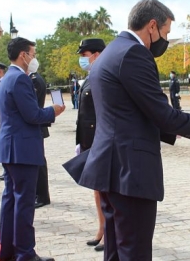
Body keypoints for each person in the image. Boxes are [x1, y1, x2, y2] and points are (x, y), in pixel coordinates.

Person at [70, 0, 190, 260]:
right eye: (166, 33)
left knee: (116, 247)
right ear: (152, 26)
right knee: (134, 249)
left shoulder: (111, 51)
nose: (165, 40)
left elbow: (133, 112)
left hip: (110, 166)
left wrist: (182, 129)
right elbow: (160, 112)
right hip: (129, 170)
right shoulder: (134, 53)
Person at [0, 37, 65, 261]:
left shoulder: (6, 79)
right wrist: (53, 111)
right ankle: (25, 253)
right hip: (23, 149)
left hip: (10, 148)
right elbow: (33, 115)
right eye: (33, 54)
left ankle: (8, 250)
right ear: (23, 55)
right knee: (23, 204)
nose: (34, 58)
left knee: (10, 202)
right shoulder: (20, 79)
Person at [75, 38, 106, 252]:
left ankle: (109, 234)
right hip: (89, 141)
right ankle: (102, 228)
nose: (82, 59)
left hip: (100, 141)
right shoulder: (91, 76)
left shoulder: (103, 76)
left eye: (84, 55)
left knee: (105, 191)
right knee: (97, 190)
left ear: (96, 54)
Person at [29, 70, 51, 209]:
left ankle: (42, 196)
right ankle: (39, 194)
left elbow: (34, 105)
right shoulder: (31, 78)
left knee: (39, 162)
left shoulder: (35, 79)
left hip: (36, 125)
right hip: (35, 126)